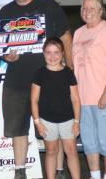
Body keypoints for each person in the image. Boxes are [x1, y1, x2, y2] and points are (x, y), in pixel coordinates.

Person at [0, 0, 72, 179]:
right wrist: (6, 56)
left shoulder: (48, 6)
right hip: (16, 82)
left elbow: (66, 37)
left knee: (52, 129)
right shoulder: (5, 12)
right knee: (18, 129)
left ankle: (58, 172)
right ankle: (19, 172)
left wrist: (70, 71)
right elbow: (0, 46)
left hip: (49, 81)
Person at [72, 0, 106, 179]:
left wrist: (105, 94)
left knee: (105, 142)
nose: (88, 12)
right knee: (89, 142)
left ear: (100, 11)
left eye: (92, 8)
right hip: (83, 98)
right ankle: (95, 177)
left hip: (105, 97)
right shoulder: (78, 33)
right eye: (84, 8)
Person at [30, 37, 81, 179]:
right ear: (43, 53)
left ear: (62, 53)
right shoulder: (39, 74)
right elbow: (34, 100)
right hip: (47, 121)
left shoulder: (68, 73)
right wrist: (37, 122)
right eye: (48, 52)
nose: (52, 56)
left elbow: (76, 100)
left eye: (56, 52)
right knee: (51, 151)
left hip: (68, 120)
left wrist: (77, 122)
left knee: (71, 151)